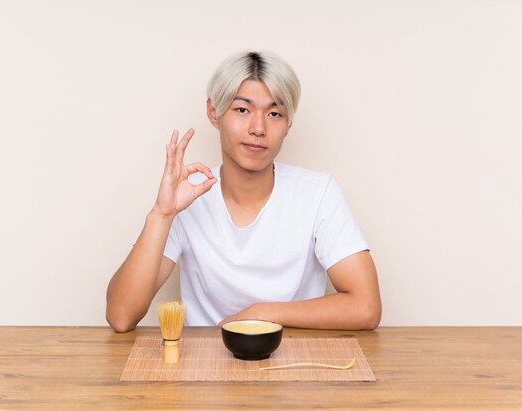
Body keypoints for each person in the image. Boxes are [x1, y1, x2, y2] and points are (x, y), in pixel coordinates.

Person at [106, 50, 381, 332]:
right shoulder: (188, 198)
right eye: (242, 110)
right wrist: (161, 215)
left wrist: (260, 313)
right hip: (206, 366)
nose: (258, 128)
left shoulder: (317, 193)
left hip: (297, 365)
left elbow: (365, 307)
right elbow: (121, 316)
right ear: (214, 113)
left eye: (275, 113)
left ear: (289, 124)